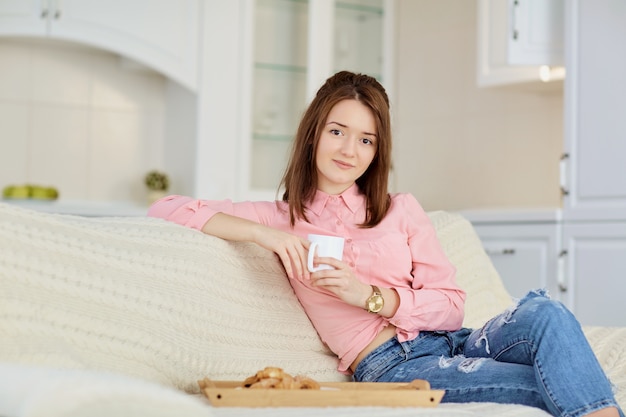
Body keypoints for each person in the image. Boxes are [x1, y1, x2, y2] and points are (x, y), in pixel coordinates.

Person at [148, 71, 623, 417]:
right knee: (551, 379)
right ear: (314, 134)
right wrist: (264, 233)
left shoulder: (402, 209)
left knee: (548, 313)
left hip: (454, 341)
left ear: (378, 151)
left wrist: (371, 297)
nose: (349, 151)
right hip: (388, 364)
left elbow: (452, 306)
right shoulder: (281, 218)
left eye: (366, 140)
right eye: (337, 132)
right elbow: (166, 207)